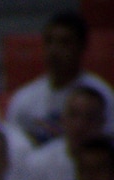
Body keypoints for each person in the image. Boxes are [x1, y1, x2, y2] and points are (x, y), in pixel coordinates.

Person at [6, 11, 114, 145]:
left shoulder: (102, 95)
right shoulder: (24, 98)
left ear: (82, 47)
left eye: (64, 43)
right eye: (49, 41)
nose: (54, 51)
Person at [24, 85, 107, 180]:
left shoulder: (110, 163)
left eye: (89, 117)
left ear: (102, 122)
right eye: (74, 115)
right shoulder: (38, 162)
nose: (80, 125)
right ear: (63, 119)